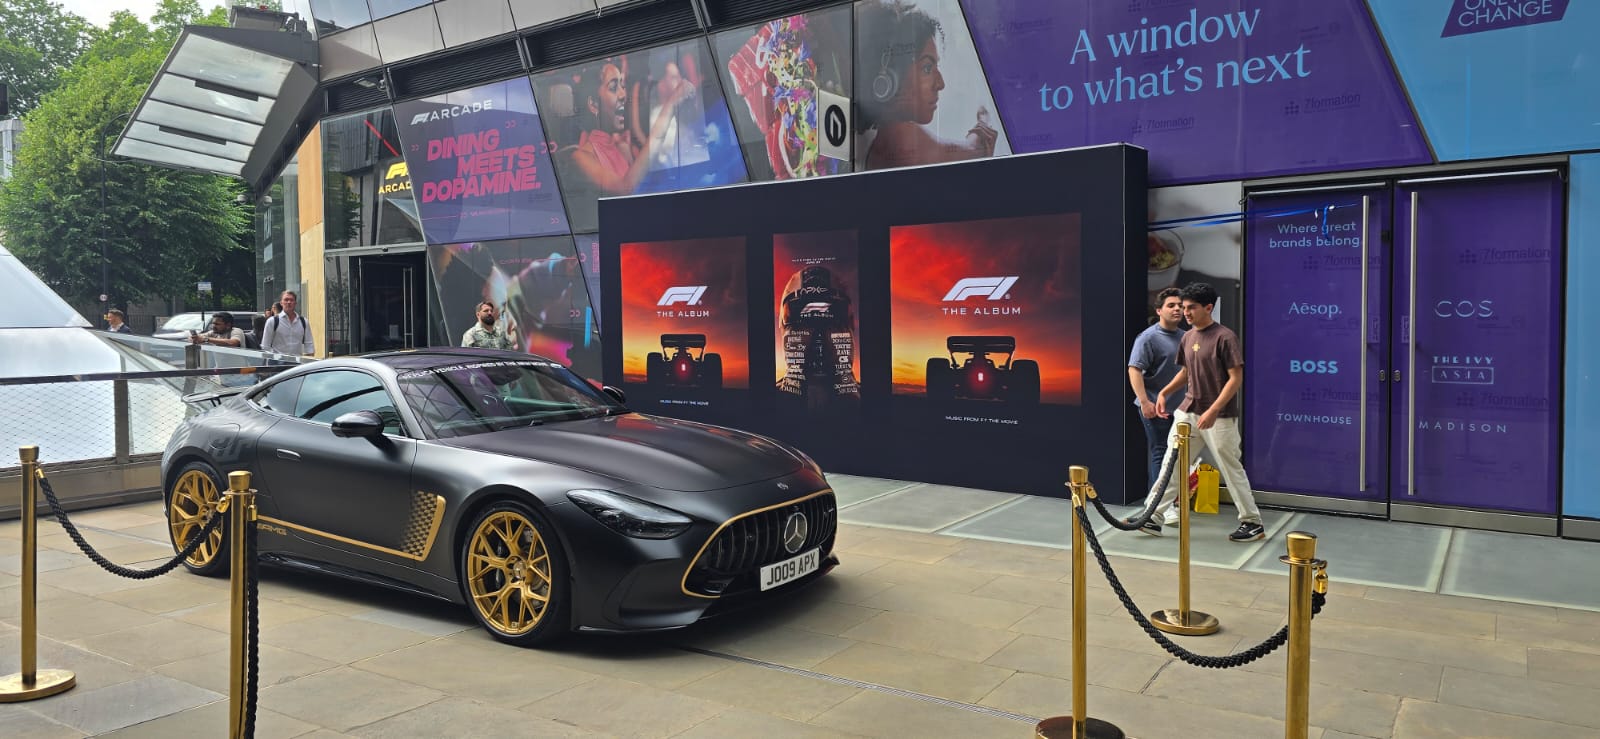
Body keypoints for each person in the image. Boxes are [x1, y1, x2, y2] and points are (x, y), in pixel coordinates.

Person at [1141, 283, 1264, 542]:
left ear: (1208, 308)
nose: (1185, 312)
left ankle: (1252, 522)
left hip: (1219, 416)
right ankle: (1153, 516)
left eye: (1191, 308)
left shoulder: (1225, 337)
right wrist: (1164, 392)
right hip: (1187, 412)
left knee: (1230, 467)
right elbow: (1186, 372)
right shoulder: (1187, 337)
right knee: (1171, 464)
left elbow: (1236, 378)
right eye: (1184, 307)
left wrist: (1214, 409)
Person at [855, 0, 997, 171]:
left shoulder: (876, 138)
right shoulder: (901, 137)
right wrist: (984, 120)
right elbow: (973, 151)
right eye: (927, 68)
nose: (940, 84)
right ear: (888, 79)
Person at [566, 57, 694, 197]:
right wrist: (670, 106)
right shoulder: (581, 158)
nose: (623, 95)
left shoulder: (622, 148)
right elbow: (625, 189)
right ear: (593, 105)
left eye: (623, 86)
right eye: (613, 88)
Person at [1127, 287, 1186, 523]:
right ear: (1159, 310)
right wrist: (1145, 402)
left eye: (1180, 305)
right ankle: (1157, 505)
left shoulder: (1186, 337)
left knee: (1176, 456)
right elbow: (1134, 369)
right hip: (1155, 408)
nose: (1177, 309)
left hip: (1180, 408)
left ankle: (1167, 501)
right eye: (1171, 305)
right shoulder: (1148, 338)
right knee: (1161, 453)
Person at [260, 290, 314, 356]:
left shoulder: (304, 322)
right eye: (286, 300)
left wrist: (308, 360)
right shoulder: (272, 321)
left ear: (295, 303)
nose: (289, 302)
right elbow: (265, 346)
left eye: (291, 300)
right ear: (281, 303)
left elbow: (309, 345)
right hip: (278, 361)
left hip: (297, 361)